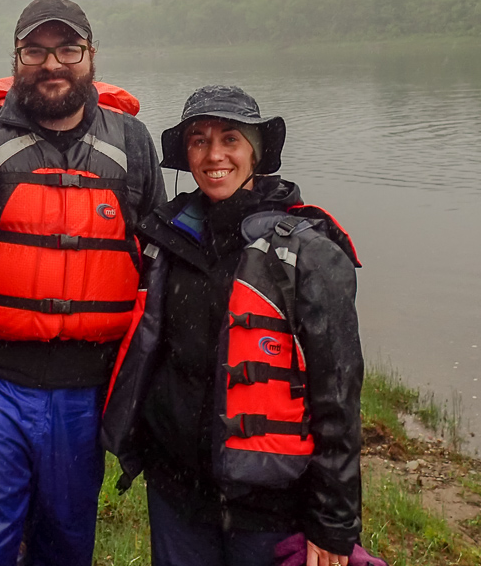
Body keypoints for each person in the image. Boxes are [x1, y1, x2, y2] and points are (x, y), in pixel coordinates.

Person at [0, 0, 166, 565]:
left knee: (65, 541)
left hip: (86, 391)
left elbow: (157, 266)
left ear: (91, 57)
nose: (52, 64)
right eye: (35, 51)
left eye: (68, 49)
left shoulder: (132, 143)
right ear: (16, 58)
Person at [102, 85, 363, 566]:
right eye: (199, 141)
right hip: (176, 493)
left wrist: (333, 522)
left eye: (230, 140)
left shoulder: (307, 253)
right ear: (186, 154)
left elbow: (338, 397)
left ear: (256, 154)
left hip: (270, 507)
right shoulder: (165, 239)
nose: (214, 155)